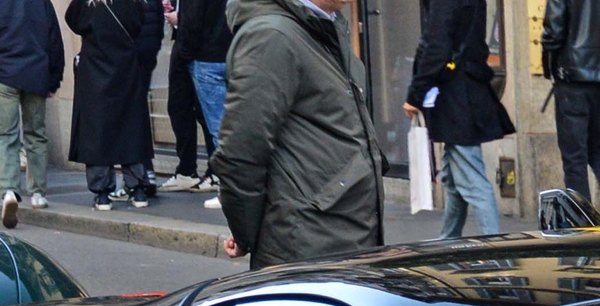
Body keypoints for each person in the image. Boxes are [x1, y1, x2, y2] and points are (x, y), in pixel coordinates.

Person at [212, 0, 382, 267]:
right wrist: (248, 232)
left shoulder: (317, 27)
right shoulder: (272, 36)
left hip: (339, 236)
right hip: (309, 247)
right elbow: (241, 152)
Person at [406, 0, 511, 239]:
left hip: (456, 95)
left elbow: (436, 47)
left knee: (473, 180)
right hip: (466, 89)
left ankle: (497, 250)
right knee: (453, 180)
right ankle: (448, 240)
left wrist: (415, 94)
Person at [0, 0, 61, 223]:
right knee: (36, 133)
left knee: (4, 136)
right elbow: (53, 35)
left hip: (1, 70)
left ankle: (8, 191)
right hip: (36, 70)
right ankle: (38, 194)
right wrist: (54, 77)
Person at [542, 0, 600, 220]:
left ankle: (581, 216)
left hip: (573, 77)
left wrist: (550, 69)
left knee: (574, 156)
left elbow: (553, 30)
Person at [64, 0, 162, 210]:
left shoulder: (87, 5)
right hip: (126, 70)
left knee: (96, 132)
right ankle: (137, 189)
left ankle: (102, 193)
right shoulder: (133, 4)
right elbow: (138, 25)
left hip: (95, 71)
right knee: (131, 128)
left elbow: (72, 20)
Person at [171, 0, 230, 205]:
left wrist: (185, 54)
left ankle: (230, 190)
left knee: (219, 130)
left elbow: (192, 19)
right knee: (241, 125)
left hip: (208, 58)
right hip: (236, 53)